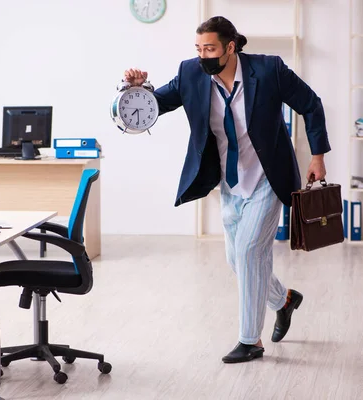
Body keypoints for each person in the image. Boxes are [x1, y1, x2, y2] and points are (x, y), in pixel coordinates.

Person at [123, 16, 330, 363]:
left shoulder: (268, 71)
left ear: (230, 47)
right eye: (199, 48)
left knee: (249, 252)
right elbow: (156, 106)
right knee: (237, 259)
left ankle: (251, 341)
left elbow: (311, 104)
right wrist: (138, 90)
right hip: (229, 182)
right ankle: (284, 300)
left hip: (267, 177)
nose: (203, 55)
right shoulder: (192, 73)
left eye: (210, 48)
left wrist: (318, 158)